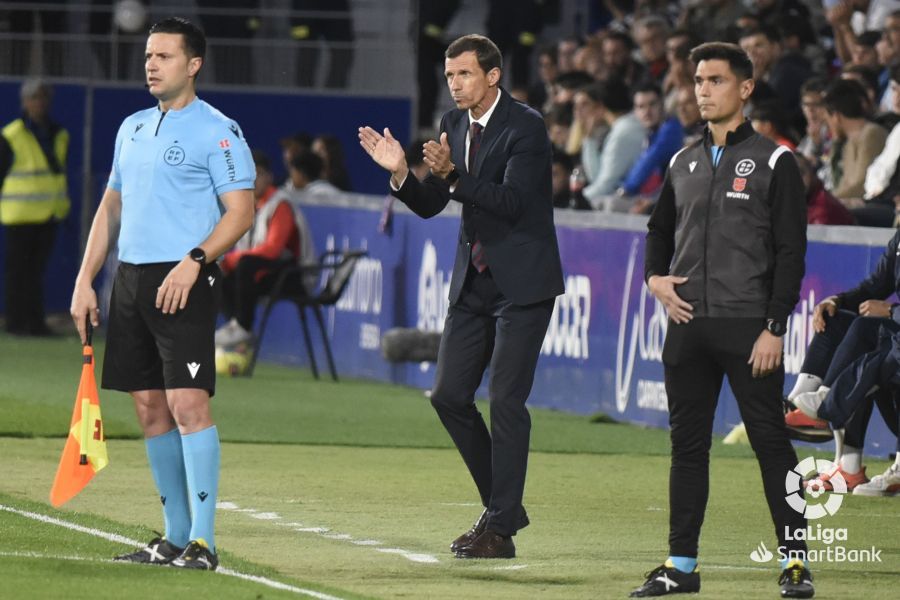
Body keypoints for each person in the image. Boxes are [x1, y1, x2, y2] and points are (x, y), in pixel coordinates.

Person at [358, 33, 564, 559]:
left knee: (506, 400)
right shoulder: (452, 124)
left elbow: (513, 202)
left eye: (465, 74)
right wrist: (403, 174)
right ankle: (504, 510)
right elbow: (432, 203)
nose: (454, 84)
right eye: (450, 76)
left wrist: (453, 176)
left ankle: (498, 529)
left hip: (522, 284)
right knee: (449, 395)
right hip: (473, 282)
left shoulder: (527, 126)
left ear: (493, 75)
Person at [69, 17, 255, 571]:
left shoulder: (218, 130)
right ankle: (174, 537)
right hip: (131, 279)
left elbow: (242, 213)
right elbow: (110, 206)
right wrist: (84, 279)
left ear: (193, 64)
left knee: (187, 403)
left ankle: (204, 542)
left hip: (186, 279)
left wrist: (195, 261)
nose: (151, 64)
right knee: (149, 407)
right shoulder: (131, 127)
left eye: (164, 56)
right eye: (149, 55)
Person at [634, 42, 813, 598]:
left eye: (715, 80)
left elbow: (791, 252)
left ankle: (796, 563)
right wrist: (653, 279)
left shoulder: (776, 161)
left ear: (745, 88)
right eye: (698, 80)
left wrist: (775, 327)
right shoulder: (682, 161)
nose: (703, 90)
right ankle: (681, 565)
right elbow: (659, 230)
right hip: (687, 327)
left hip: (749, 330)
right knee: (687, 449)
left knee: (772, 447)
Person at [215, 150, 315, 348]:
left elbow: (273, 250)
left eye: (258, 173)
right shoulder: (247, 206)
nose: (253, 179)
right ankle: (238, 328)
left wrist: (230, 260)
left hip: (295, 276)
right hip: (265, 274)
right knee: (217, 273)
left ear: (269, 177)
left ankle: (243, 326)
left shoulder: (280, 203)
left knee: (243, 264)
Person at [0, 80, 70, 336]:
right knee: (18, 272)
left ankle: (35, 323)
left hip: (49, 213)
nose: (39, 103)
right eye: (34, 98)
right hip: (18, 215)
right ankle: (16, 323)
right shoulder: (11, 135)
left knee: (37, 273)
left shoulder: (59, 133)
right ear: (25, 102)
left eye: (43, 97)